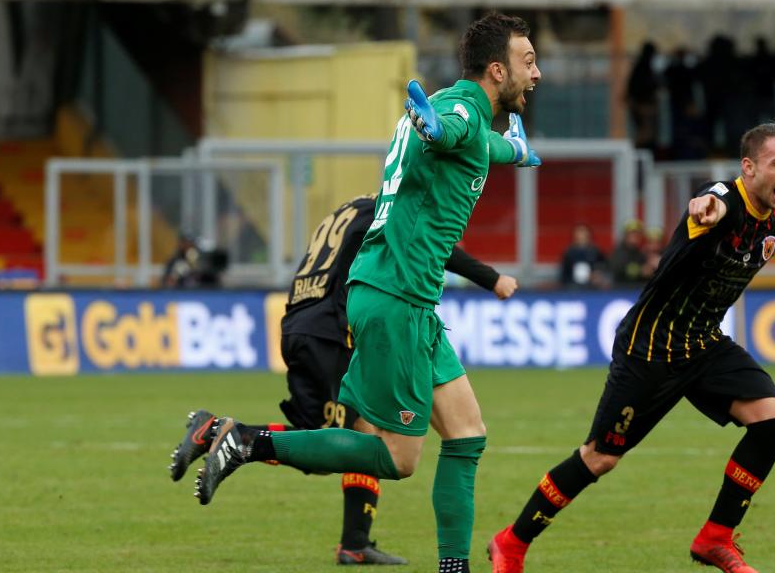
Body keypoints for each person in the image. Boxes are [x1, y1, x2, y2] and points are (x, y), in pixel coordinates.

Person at [191, 13, 542, 573]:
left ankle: (455, 568)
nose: (537, 72)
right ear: (497, 71)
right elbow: (451, 131)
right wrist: (435, 128)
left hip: (407, 298)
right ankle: (246, 442)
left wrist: (514, 150)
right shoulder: (457, 114)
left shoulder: (469, 114)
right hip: (397, 296)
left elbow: (474, 144)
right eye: (528, 62)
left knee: (468, 433)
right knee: (396, 458)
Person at [487, 118, 775, 573]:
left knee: (774, 422)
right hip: (648, 348)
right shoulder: (724, 200)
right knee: (601, 458)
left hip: (703, 345)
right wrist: (702, 209)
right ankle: (511, 542)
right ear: (749, 168)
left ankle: (716, 537)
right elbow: (707, 203)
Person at [168, 193, 519, 565]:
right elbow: (435, 245)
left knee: (353, 433)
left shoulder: (348, 209)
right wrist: (491, 278)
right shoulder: (389, 208)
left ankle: (354, 540)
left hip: (299, 323)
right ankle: (232, 435)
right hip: (332, 330)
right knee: (353, 443)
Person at [559, 224, 607, 288]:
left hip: (592, 287)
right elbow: (564, 274)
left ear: (588, 235)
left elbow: (602, 267)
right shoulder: (568, 253)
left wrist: (597, 274)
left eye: (583, 233)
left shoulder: (596, 252)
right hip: (573, 288)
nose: (581, 236)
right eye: (579, 233)